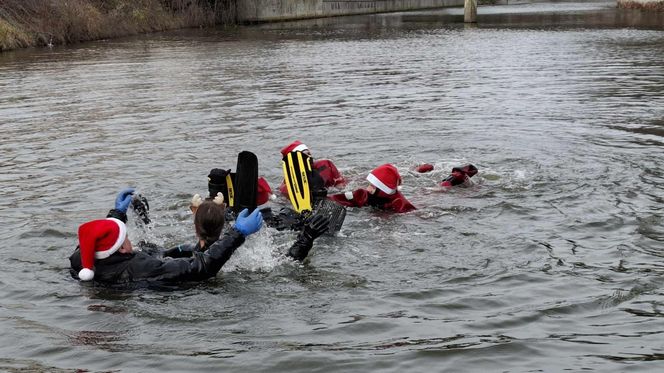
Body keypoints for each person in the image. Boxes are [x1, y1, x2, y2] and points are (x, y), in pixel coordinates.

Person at [69, 188, 329, 284]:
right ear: (122, 250)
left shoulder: (82, 260)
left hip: (161, 265)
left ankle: (145, 219)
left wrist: (116, 214)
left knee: (155, 247)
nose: (129, 241)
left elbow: (94, 239)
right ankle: (306, 236)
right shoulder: (140, 267)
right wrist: (238, 233)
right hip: (191, 283)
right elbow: (204, 266)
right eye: (124, 238)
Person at [329, 164, 416, 213]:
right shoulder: (363, 194)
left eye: (372, 186)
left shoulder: (400, 204)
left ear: (383, 190)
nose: (368, 189)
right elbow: (338, 198)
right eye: (369, 184)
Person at [278, 140, 346, 200]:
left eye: (309, 153)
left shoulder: (325, 165)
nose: (309, 156)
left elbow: (341, 187)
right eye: (305, 154)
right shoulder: (286, 186)